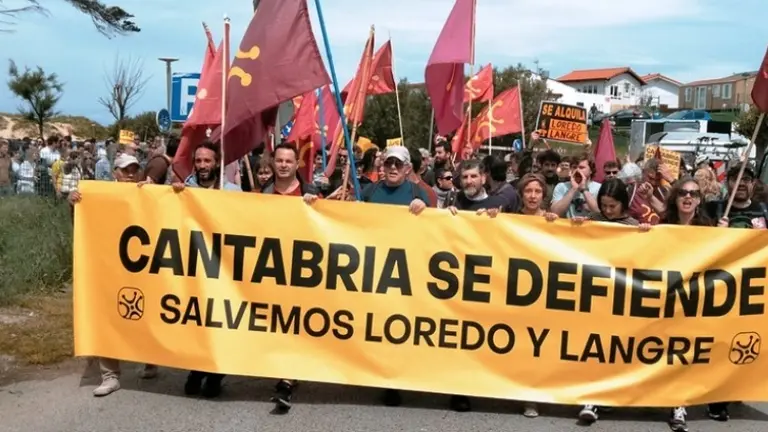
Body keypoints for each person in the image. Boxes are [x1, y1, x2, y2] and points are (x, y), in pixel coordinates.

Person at [69, 153, 159, 397]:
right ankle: (110, 375)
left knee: (145, 314)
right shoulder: (100, 196)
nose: (130, 174)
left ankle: (152, 360)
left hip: (142, 267)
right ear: (114, 173)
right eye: (125, 170)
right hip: (109, 268)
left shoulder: (147, 192)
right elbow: (82, 225)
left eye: (134, 170)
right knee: (108, 317)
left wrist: (158, 193)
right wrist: (74, 204)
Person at [361, 146, 430, 213]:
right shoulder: (369, 191)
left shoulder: (418, 194)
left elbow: (429, 218)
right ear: (383, 166)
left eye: (398, 163)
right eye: (388, 163)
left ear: (408, 168)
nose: (393, 167)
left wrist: (422, 207)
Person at [550, 153, 601, 219]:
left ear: (591, 170)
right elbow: (555, 212)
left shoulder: (599, 188)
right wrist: (573, 189)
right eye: (574, 167)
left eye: (581, 168)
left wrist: (584, 190)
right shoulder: (561, 187)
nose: (577, 171)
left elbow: (599, 213)